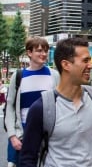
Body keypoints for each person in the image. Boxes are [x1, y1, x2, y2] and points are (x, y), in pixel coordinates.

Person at [20, 37, 92, 167]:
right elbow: (28, 158)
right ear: (66, 65)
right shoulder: (42, 108)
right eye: (85, 61)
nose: (90, 66)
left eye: (89, 60)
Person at [4, 36, 60, 167]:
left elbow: (60, 104)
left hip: (48, 136)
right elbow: (10, 107)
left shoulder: (54, 75)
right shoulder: (18, 76)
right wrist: (12, 136)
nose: (44, 54)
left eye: (46, 50)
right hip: (23, 134)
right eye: (39, 50)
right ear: (29, 53)